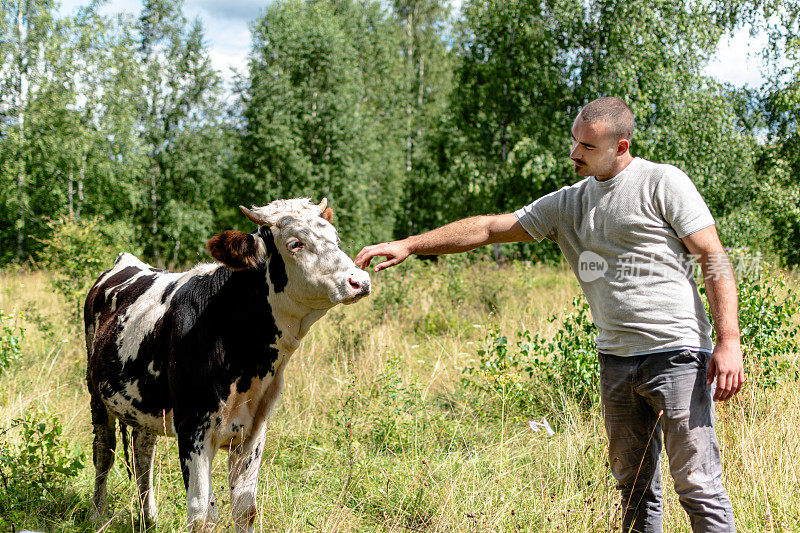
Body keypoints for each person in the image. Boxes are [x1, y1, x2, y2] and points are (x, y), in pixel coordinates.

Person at [355, 97, 743, 533]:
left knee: (697, 485)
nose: (575, 154)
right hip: (615, 360)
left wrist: (728, 341)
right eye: (574, 141)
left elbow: (713, 258)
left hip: (676, 355)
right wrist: (410, 244)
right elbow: (487, 228)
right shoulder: (567, 203)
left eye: (588, 147)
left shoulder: (661, 183)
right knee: (634, 488)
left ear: (621, 146)